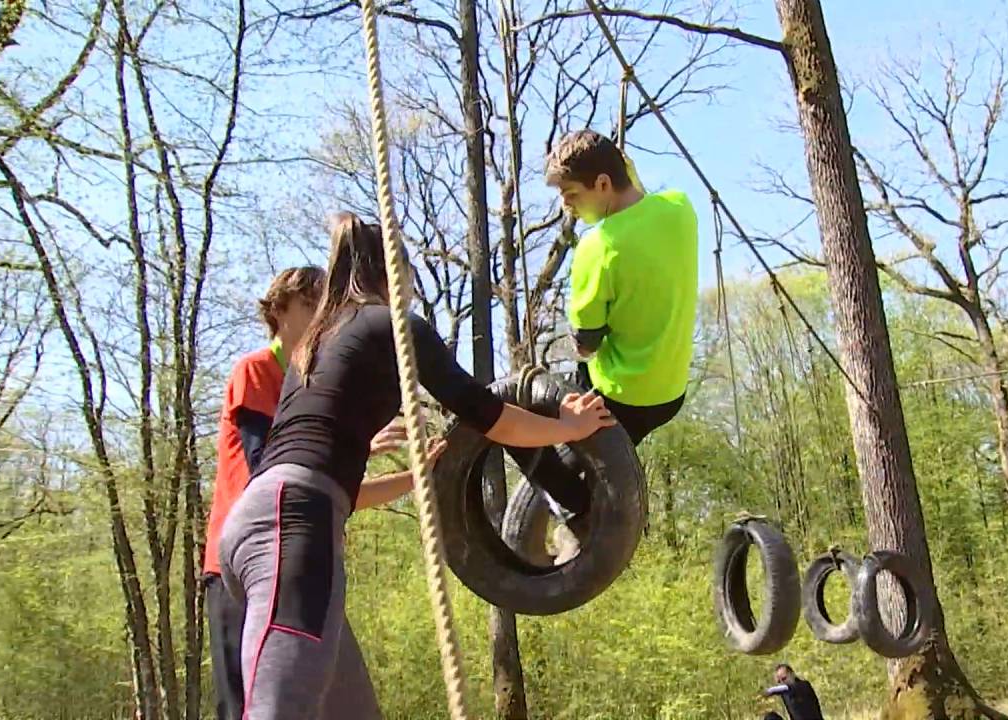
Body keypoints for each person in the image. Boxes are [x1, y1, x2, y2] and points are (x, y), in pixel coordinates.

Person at [217, 212, 615, 720]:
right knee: (280, 710)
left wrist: (412, 478)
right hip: (293, 535)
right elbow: (486, 413)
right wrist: (566, 427)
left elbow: (334, 488)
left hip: (269, 527)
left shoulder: (317, 342)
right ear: (395, 274)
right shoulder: (393, 326)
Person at [518, 129, 697, 550]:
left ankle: (581, 512)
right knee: (579, 448)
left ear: (601, 184)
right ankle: (592, 492)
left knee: (517, 429)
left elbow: (587, 344)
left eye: (572, 194)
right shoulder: (680, 209)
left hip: (618, 398)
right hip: (670, 392)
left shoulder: (596, 248)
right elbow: (636, 191)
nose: (567, 206)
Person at [202, 266, 324, 720]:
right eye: (310, 304)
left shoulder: (312, 387)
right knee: (241, 701)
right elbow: (267, 468)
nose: (319, 317)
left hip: (293, 560)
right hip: (238, 560)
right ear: (279, 310)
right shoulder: (254, 371)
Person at [758, 664, 824, 720]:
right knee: (770, 717)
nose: (782, 682)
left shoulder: (804, 686)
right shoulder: (784, 692)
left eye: (784, 678)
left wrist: (771, 690)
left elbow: (789, 688)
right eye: (779, 681)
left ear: (793, 674)